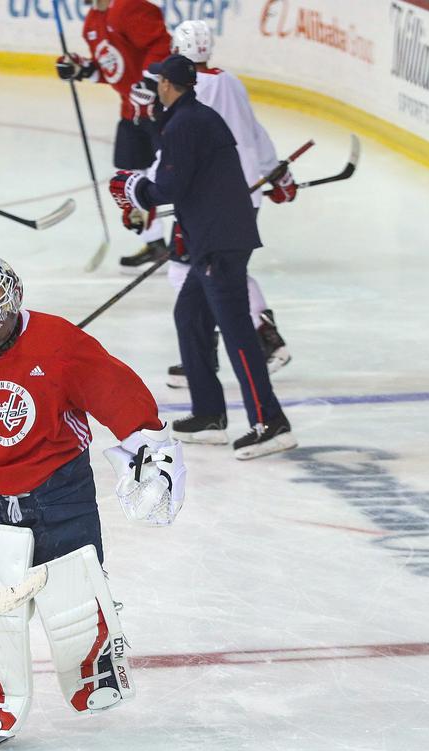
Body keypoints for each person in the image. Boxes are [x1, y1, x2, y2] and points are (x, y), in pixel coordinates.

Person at [0, 253, 185, 747]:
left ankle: (95, 670)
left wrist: (148, 443)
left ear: (15, 299)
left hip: (60, 489)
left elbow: (113, 387)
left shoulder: (59, 342)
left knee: (77, 594)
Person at [109, 54, 297, 460]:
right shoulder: (193, 117)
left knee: (237, 334)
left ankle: (271, 422)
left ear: (166, 85)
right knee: (189, 316)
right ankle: (210, 414)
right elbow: (189, 182)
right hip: (209, 237)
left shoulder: (185, 124)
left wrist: (133, 187)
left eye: (158, 79)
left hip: (218, 242)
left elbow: (170, 188)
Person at [159, 20, 294, 389]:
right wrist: (276, 173)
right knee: (215, 270)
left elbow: (178, 149)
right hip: (242, 193)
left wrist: (152, 191)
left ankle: (241, 344)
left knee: (195, 272)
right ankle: (227, 346)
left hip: (212, 200)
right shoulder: (230, 81)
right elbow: (254, 131)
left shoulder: (192, 91)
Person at [54, 0, 170, 274]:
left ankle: (188, 243)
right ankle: (155, 244)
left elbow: (164, 46)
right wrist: (82, 69)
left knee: (170, 175)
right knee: (128, 177)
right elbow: (111, 70)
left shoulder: (128, 7)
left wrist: (150, 81)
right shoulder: (93, 21)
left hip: (162, 111)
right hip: (131, 111)